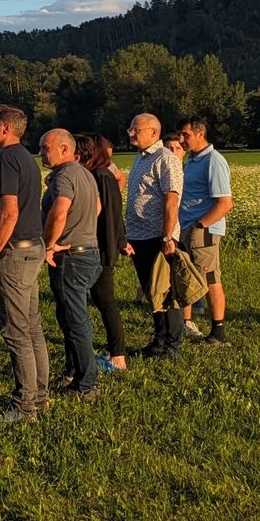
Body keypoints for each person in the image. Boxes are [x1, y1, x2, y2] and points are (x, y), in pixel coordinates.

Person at [0, 104, 47, 425]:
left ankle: (24, 407)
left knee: (16, 330)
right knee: (32, 327)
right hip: (32, 247)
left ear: (6, 129)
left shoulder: (6, 159)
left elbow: (8, 211)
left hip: (13, 253)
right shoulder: (26, 158)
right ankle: (40, 396)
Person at [39, 129, 103, 401]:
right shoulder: (84, 173)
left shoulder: (64, 177)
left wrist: (50, 244)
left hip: (71, 257)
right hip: (88, 251)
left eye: (45, 148)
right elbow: (97, 207)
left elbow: (60, 210)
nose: (41, 152)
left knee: (76, 320)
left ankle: (87, 383)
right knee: (70, 316)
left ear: (64, 149)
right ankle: (75, 371)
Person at [123, 113, 185, 359]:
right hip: (139, 236)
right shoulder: (140, 159)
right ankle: (158, 340)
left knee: (167, 293)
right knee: (152, 292)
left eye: (135, 130)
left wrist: (168, 236)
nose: (131, 133)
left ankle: (172, 345)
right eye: (131, 129)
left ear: (154, 133)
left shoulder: (165, 159)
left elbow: (172, 199)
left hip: (159, 237)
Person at [178, 117, 235, 347]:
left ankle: (218, 332)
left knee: (210, 278)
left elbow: (225, 202)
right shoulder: (191, 160)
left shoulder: (214, 161)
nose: (182, 139)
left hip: (204, 230)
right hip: (188, 227)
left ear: (200, 134)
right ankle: (185, 322)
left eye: (186, 135)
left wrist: (200, 225)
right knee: (187, 276)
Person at [76, 134, 129, 374]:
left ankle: (118, 356)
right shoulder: (102, 175)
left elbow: (109, 215)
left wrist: (113, 245)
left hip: (101, 247)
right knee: (101, 300)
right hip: (104, 246)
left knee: (106, 301)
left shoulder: (100, 177)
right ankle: (114, 352)